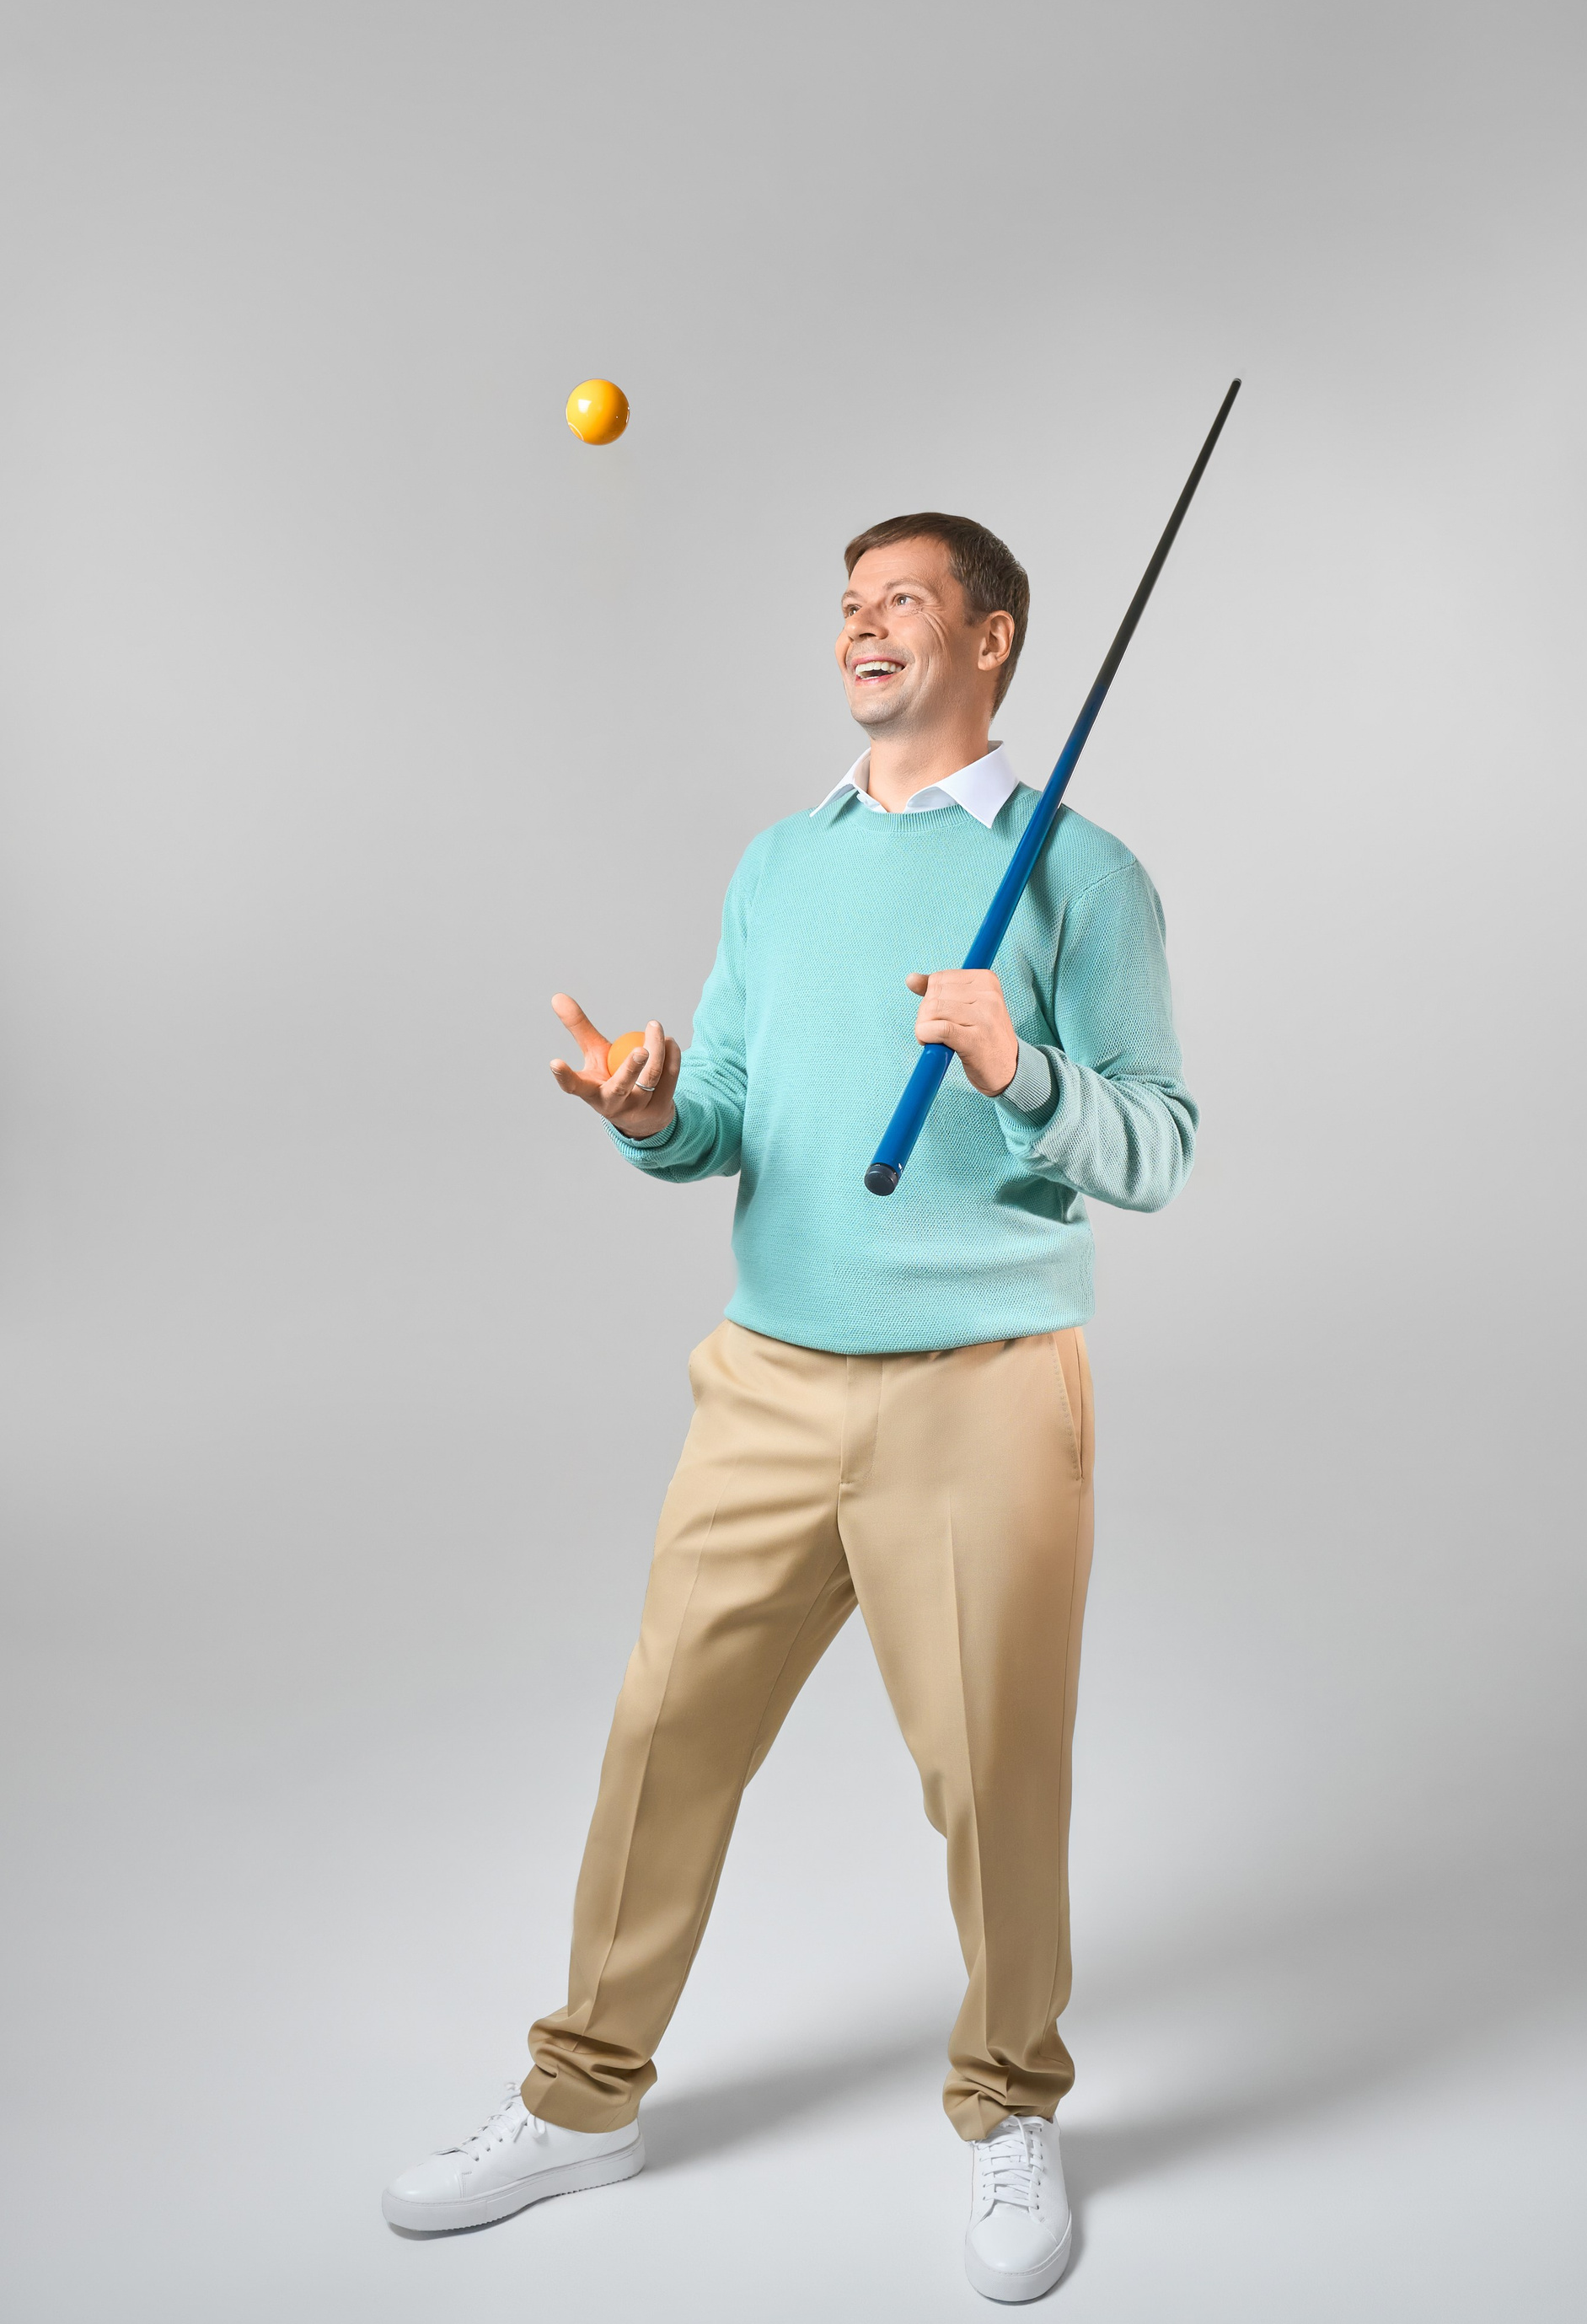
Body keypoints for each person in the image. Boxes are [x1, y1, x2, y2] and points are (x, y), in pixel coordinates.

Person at [380, 512, 1197, 2303]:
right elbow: (729, 1113)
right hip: (766, 1381)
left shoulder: (1082, 874)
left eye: (902, 600)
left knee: (994, 1778)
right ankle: (581, 2099)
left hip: (985, 1393)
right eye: (848, 606)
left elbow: (1158, 1145)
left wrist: (1020, 1068)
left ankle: (1010, 2107)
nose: (862, 629)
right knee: (663, 1733)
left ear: (992, 637)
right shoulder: (779, 862)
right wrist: (651, 1109)